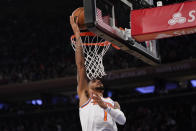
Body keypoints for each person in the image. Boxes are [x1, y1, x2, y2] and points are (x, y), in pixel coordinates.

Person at [70, 15, 126, 131]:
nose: (97, 79)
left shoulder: (112, 102)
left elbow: (122, 121)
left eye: (96, 80)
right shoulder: (85, 97)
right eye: (94, 81)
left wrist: (105, 107)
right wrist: (77, 34)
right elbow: (81, 66)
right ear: (87, 88)